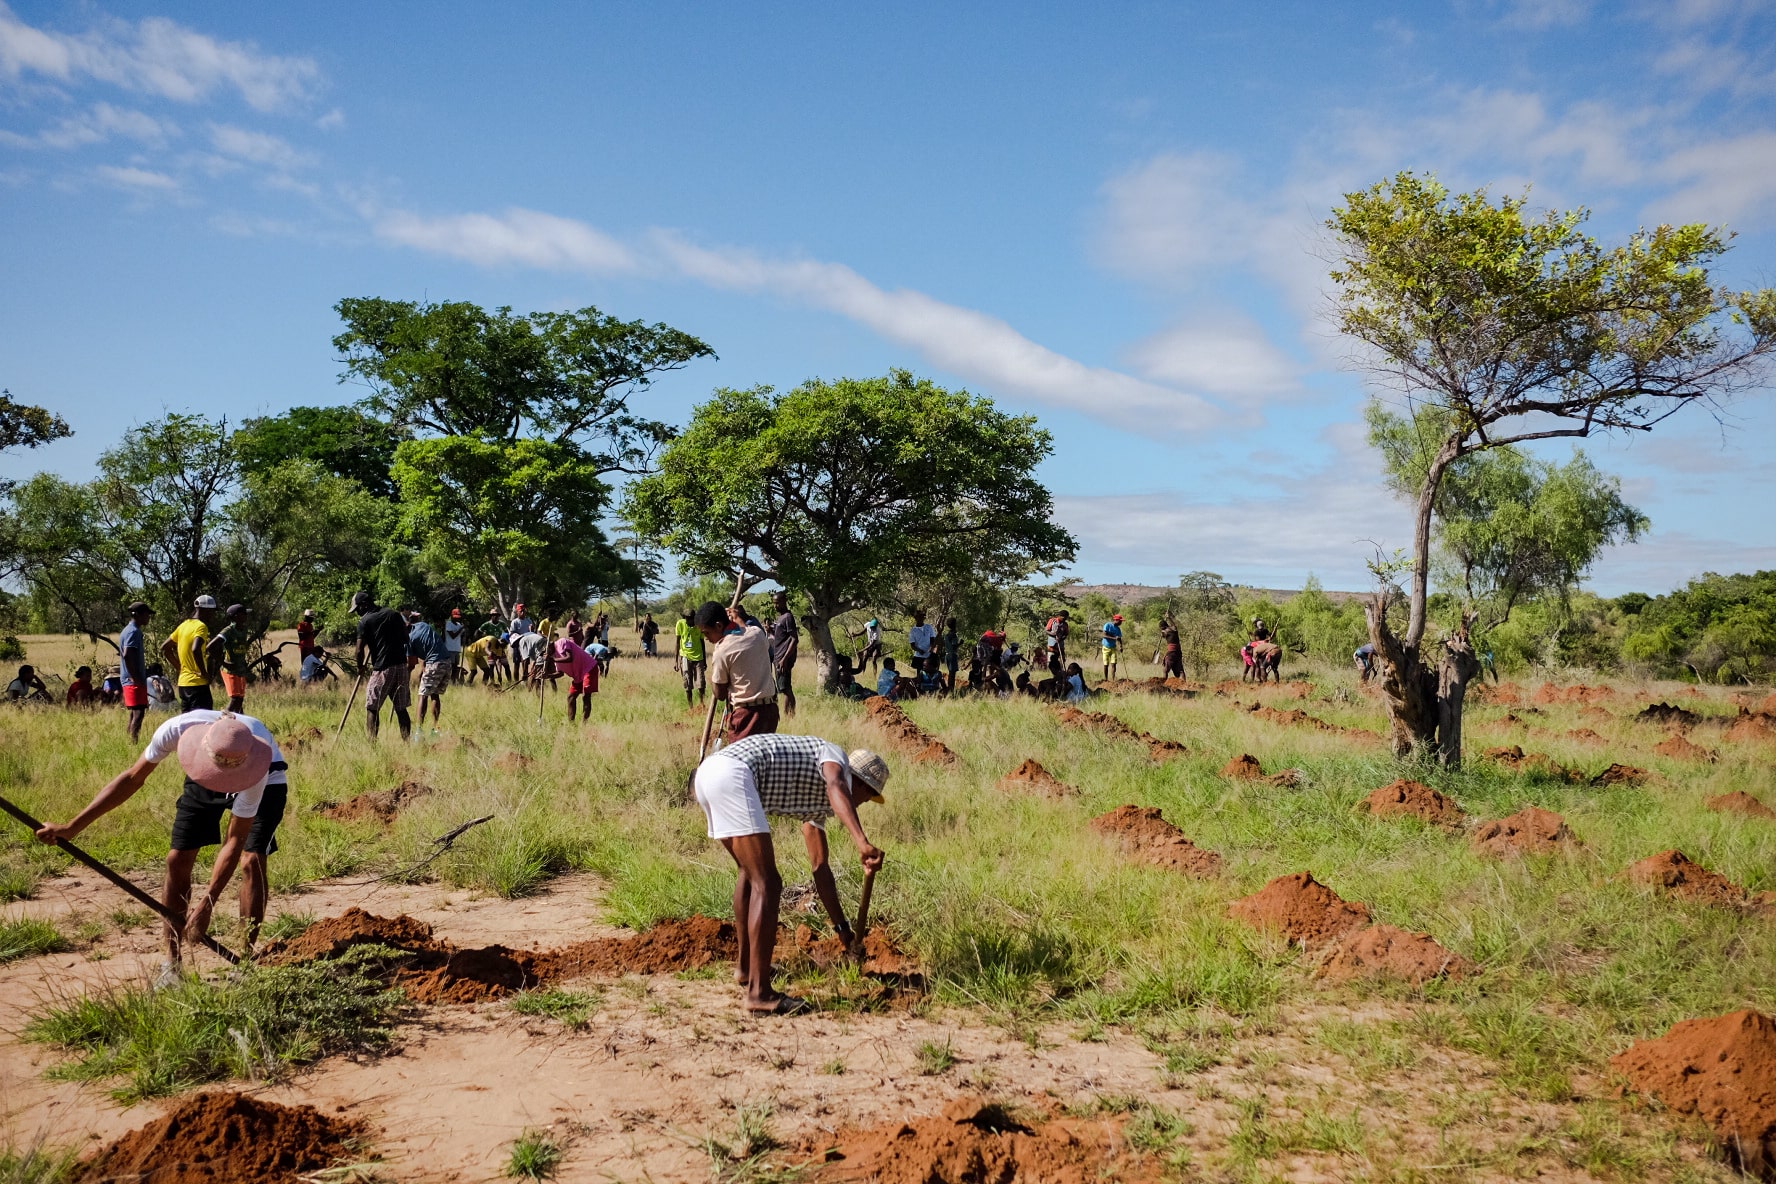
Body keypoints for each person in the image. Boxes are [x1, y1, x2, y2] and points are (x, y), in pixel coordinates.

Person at [34, 709, 289, 982]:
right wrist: (72, 827)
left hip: (261, 777)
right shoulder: (177, 729)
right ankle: (172, 967)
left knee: (251, 860)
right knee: (177, 859)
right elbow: (133, 778)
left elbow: (235, 839)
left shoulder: (257, 767)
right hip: (208, 767)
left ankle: (245, 961)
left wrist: (208, 902)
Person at [690, 734, 886, 1014]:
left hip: (711, 776)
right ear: (861, 783)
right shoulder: (835, 758)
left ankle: (747, 970)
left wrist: (842, 928)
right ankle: (759, 994)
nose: (865, 804)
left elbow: (820, 868)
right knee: (767, 882)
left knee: (750, 873)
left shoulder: (819, 801)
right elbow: (835, 784)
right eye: (869, 797)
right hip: (730, 772)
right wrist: (861, 841)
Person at [699, 601, 778, 741]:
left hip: (746, 716)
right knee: (764, 759)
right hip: (770, 712)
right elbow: (745, 632)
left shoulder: (722, 650)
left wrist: (716, 675)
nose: (706, 638)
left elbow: (720, 694)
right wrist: (739, 621)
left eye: (707, 632)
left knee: (742, 761)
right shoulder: (758, 634)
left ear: (718, 625)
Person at [352, 591, 414, 741]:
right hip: (401, 666)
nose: (357, 613)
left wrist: (360, 667)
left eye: (358, 609)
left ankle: (372, 744)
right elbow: (406, 638)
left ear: (365, 605)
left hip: (383, 668)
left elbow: (359, 650)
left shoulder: (365, 621)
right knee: (401, 708)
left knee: (372, 707)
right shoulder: (393, 614)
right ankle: (407, 743)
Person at [162, 595, 219, 713]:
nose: (213, 616)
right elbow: (195, 649)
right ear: (205, 610)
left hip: (183, 684)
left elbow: (165, 648)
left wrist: (179, 668)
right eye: (212, 612)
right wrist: (204, 673)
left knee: (187, 723)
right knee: (201, 722)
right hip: (198, 684)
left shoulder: (183, 625)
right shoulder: (201, 627)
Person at [207, 603, 253, 713]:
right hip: (230, 670)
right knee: (235, 699)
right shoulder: (228, 631)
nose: (246, 616)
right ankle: (221, 722)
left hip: (240, 670)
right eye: (243, 614)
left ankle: (239, 723)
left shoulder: (243, 629)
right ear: (235, 616)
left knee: (240, 700)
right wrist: (224, 663)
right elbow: (211, 647)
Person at [411, 610, 452, 728]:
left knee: (423, 695)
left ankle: (419, 731)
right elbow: (428, 647)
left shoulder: (409, 638)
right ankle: (435, 727)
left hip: (434, 663)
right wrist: (423, 667)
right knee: (435, 694)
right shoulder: (424, 626)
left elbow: (411, 663)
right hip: (447, 661)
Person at [119, 600, 153, 741]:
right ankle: (133, 743)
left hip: (130, 678)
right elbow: (127, 654)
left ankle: (129, 742)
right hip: (132, 679)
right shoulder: (134, 631)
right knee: (139, 713)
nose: (148, 617)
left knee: (134, 713)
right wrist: (135, 676)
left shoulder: (129, 630)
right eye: (147, 614)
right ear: (138, 615)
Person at [551, 636, 599, 722]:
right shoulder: (554, 657)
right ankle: (571, 724)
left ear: (550, 645)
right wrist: (547, 676)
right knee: (571, 697)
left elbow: (570, 658)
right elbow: (560, 673)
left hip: (588, 668)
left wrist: (553, 659)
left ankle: (584, 723)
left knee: (586, 695)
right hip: (578, 676)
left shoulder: (561, 642)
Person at [768, 592, 799, 718]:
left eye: (777, 603)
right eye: (774, 603)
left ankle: (789, 717)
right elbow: (782, 638)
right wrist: (771, 630)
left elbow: (794, 639)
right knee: (783, 688)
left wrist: (784, 659)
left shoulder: (788, 617)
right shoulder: (781, 618)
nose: (775, 606)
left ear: (784, 601)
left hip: (783, 660)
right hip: (778, 657)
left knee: (786, 689)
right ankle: (788, 715)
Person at [677, 610, 707, 708]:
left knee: (701, 682)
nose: (690, 621)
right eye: (687, 619)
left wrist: (705, 660)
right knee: (687, 682)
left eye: (692, 619)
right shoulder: (680, 624)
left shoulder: (699, 626)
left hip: (698, 657)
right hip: (685, 656)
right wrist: (677, 660)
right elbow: (678, 642)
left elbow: (702, 642)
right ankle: (691, 707)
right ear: (685, 618)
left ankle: (702, 704)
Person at [444, 608, 466, 681]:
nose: (457, 619)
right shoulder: (449, 624)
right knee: (451, 665)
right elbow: (453, 636)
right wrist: (461, 629)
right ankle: (449, 680)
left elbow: (462, 635)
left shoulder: (459, 624)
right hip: (450, 648)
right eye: (455, 617)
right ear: (452, 616)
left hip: (457, 648)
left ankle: (454, 679)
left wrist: (465, 631)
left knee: (456, 665)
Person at [1160, 614, 1184, 680]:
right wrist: (1169, 617)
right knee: (1180, 670)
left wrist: (1162, 632)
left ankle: (1163, 684)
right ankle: (1184, 684)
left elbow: (1163, 635)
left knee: (1165, 670)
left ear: (1162, 627)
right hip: (1178, 652)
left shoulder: (1166, 631)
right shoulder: (1174, 629)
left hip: (1172, 652)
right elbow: (1174, 625)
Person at [1101, 614, 1124, 681]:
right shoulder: (1107, 625)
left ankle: (1113, 680)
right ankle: (1106, 679)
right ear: (1116, 620)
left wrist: (1121, 646)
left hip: (1113, 648)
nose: (1121, 623)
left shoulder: (1118, 629)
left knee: (1113, 664)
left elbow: (1119, 638)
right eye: (1120, 621)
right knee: (1106, 664)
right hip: (1106, 647)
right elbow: (1104, 635)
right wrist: (1114, 638)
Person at [941, 617, 961, 691]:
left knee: (950, 672)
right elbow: (954, 646)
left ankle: (950, 688)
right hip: (952, 655)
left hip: (947, 655)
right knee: (952, 674)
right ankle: (950, 689)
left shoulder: (947, 635)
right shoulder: (953, 635)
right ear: (955, 624)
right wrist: (960, 643)